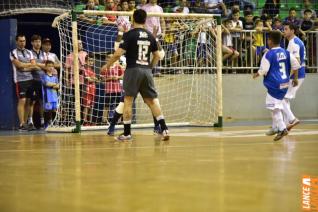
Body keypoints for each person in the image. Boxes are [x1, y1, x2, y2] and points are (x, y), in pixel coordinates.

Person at [103, 9, 169, 141]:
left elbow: (117, 54)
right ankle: (165, 129)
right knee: (152, 101)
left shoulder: (129, 35)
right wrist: (150, 67)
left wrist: (107, 65)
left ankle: (127, 134)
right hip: (146, 71)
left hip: (133, 70)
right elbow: (157, 56)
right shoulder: (150, 35)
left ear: (133, 19)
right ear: (145, 20)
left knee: (127, 101)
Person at [253, 31, 300, 141]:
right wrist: (296, 78)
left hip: (274, 84)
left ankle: (282, 128)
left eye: (268, 39)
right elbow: (296, 65)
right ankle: (280, 125)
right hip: (285, 83)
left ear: (270, 41)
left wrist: (257, 74)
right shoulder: (287, 52)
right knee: (277, 104)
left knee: (274, 108)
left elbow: (264, 70)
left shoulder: (268, 54)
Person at [10, 34, 38, 131]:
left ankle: (26, 123)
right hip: (20, 81)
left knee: (30, 102)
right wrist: (28, 65)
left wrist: (25, 66)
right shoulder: (13, 52)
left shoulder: (29, 52)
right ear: (17, 41)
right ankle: (21, 124)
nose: (23, 43)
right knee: (22, 101)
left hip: (30, 79)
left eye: (24, 41)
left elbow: (34, 66)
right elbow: (18, 66)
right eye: (21, 41)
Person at [282, 23, 306, 131]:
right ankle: (286, 124)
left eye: (286, 29)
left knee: (282, 98)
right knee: (285, 99)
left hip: (297, 74)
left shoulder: (294, 43)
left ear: (292, 31)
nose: (284, 31)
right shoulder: (293, 42)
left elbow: (297, 61)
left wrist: (294, 77)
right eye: (284, 29)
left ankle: (291, 120)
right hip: (297, 74)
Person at [30, 34, 46, 129]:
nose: (38, 43)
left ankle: (42, 121)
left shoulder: (43, 53)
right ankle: (31, 122)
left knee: (42, 102)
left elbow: (46, 66)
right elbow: (33, 66)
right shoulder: (30, 53)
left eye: (39, 41)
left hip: (42, 81)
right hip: (33, 81)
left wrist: (38, 65)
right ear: (32, 43)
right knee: (32, 102)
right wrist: (41, 65)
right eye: (35, 41)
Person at [42, 60, 59, 128]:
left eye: (52, 66)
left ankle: (54, 123)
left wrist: (55, 85)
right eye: (49, 66)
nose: (51, 68)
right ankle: (46, 124)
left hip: (54, 96)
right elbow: (46, 84)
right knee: (47, 110)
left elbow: (58, 86)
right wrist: (54, 85)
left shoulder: (55, 77)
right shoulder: (44, 76)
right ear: (46, 67)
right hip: (47, 96)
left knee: (54, 110)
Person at [82, 54, 98, 126]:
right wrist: (93, 79)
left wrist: (93, 79)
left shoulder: (92, 70)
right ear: (86, 61)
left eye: (92, 61)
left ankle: (90, 121)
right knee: (86, 106)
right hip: (87, 89)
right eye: (89, 60)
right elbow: (88, 79)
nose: (91, 62)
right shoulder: (84, 69)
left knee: (91, 106)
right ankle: (85, 121)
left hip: (93, 89)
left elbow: (96, 80)